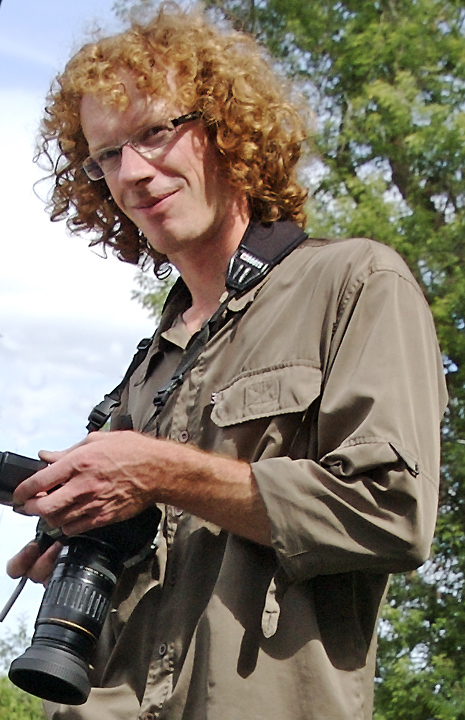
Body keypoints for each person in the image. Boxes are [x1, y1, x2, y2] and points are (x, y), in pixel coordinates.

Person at [7, 3, 447, 719]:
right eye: (107, 155)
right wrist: (82, 537)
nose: (135, 173)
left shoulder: (357, 283)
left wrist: (159, 472)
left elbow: (390, 514)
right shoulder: (148, 362)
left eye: (155, 132)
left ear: (227, 129)